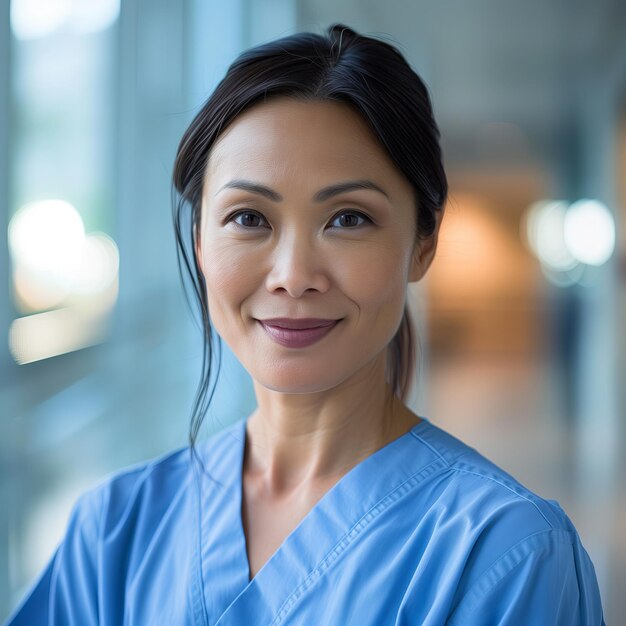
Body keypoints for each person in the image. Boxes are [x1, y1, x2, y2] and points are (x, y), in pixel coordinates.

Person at [4, 24, 605, 626]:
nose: (294, 276)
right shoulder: (113, 532)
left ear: (423, 243)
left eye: (348, 218)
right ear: (199, 244)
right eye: (248, 217)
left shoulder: (505, 555)